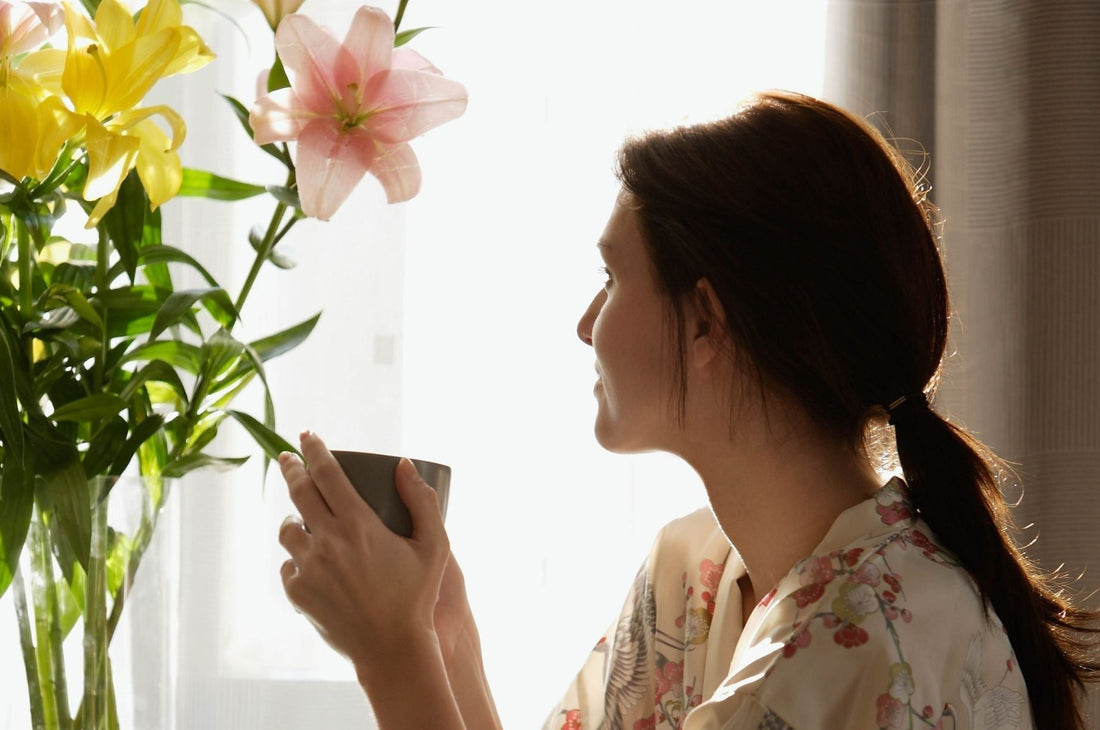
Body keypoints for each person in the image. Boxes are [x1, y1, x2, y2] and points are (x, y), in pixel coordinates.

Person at [274, 91, 1099, 729]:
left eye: (611, 277)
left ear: (706, 321)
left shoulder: (851, 652)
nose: (585, 324)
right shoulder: (696, 574)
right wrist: (442, 635)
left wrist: (391, 652)